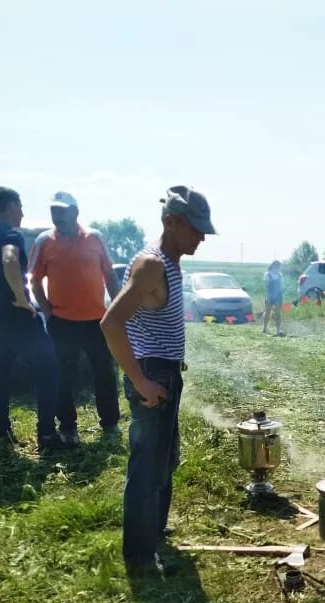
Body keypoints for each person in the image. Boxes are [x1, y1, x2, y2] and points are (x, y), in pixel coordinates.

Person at [101, 186, 216, 575]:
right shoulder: (151, 264)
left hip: (164, 372)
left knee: (164, 461)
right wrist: (140, 381)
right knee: (147, 470)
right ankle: (138, 557)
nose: (201, 236)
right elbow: (111, 323)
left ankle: (153, 532)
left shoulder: (170, 260)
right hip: (151, 374)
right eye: (196, 228)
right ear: (171, 222)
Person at [30, 192, 121, 445]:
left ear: (75, 212)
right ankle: (68, 428)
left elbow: (109, 275)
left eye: (62, 211)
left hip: (96, 321)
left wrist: (118, 307)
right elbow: (35, 280)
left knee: (104, 372)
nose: (56, 215)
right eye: (53, 211)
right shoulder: (44, 241)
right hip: (62, 322)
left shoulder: (94, 238)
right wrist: (47, 309)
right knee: (62, 376)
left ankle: (110, 424)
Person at [0, 187, 61, 452]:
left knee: (0, 370)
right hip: (16, 313)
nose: (22, 212)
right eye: (20, 205)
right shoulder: (10, 233)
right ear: (11, 206)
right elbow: (10, 259)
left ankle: (2, 433)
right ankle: (47, 435)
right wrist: (21, 299)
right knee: (48, 369)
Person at [263, 260, 284, 335]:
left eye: (278, 267)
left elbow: (281, 287)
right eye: (276, 266)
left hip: (278, 296)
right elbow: (266, 286)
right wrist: (267, 296)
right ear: (272, 266)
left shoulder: (280, 275)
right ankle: (265, 328)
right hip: (269, 296)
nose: (277, 268)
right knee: (267, 312)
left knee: (278, 313)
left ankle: (278, 331)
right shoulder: (267, 274)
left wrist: (281, 298)